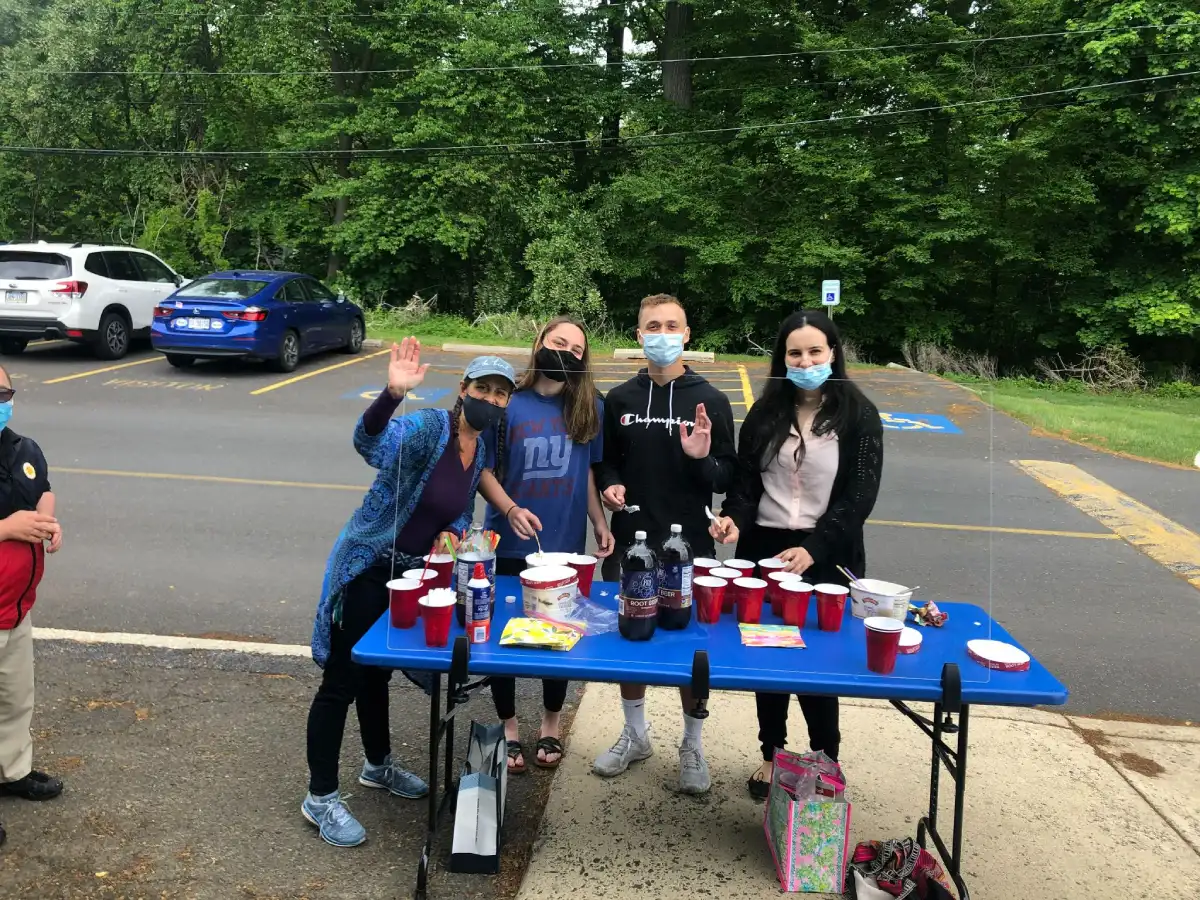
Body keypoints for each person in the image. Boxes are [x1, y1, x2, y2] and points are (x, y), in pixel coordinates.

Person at [304, 341, 516, 847]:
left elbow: (461, 503)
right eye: (482, 388)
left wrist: (464, 530)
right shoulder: (428, 429)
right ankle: (320, 797)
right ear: (463, 391)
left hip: (415, 576)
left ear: (507, 403)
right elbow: (372, 445)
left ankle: (377, 765)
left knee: (377, 673)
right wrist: (392, 394)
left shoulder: (480, 446)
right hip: (370, 568)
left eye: (500, 393)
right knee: (344, 679)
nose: (490, 398)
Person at [708, 310, 883, 799]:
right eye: (794, 352)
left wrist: (814, 548)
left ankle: (826, 756)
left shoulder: (859, 415)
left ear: (832, 353)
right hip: (765, 548)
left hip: (826, 553)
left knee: (820, 663)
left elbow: (859, 498)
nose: (805, 361)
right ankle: (772, 754)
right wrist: (732, 519)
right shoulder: (765, 413)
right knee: (770, 658)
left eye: (814, 351)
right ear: (781, 358)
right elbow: (746, 484)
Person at [592, 293, 736, 794]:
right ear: (638, 335)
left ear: (687, 334)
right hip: (632, 542)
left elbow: (725, 477)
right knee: (631, 642)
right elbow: (605, 461)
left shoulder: (711, 401)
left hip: (686, 547)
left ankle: (692, 742)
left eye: (671, 324)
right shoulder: (621, 399)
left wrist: (699, 457)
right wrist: (610, 484)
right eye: (652, 324)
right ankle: (635, 734)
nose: (662, 333)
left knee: (686, 650)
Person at [477, 316, 615, 773]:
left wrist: (600, 523)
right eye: (559, 343)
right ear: (539, 342)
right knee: (505, 639)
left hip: (564, 547)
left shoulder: (589, 404)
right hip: (510, 544)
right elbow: (483, 471)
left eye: (576, 350)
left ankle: (551, 723)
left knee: (559, 634)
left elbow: (590, 472)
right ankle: (510, 727)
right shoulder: (508, 402)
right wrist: (512, 508)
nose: (566, 353)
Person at [0, 364, 65, 850]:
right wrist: (5, 529)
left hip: (16, 606)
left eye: (4, 392)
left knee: (16, 700)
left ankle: (11, 771)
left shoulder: (24, 449)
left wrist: (48, 521)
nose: (1, 401)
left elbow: (43, 492)